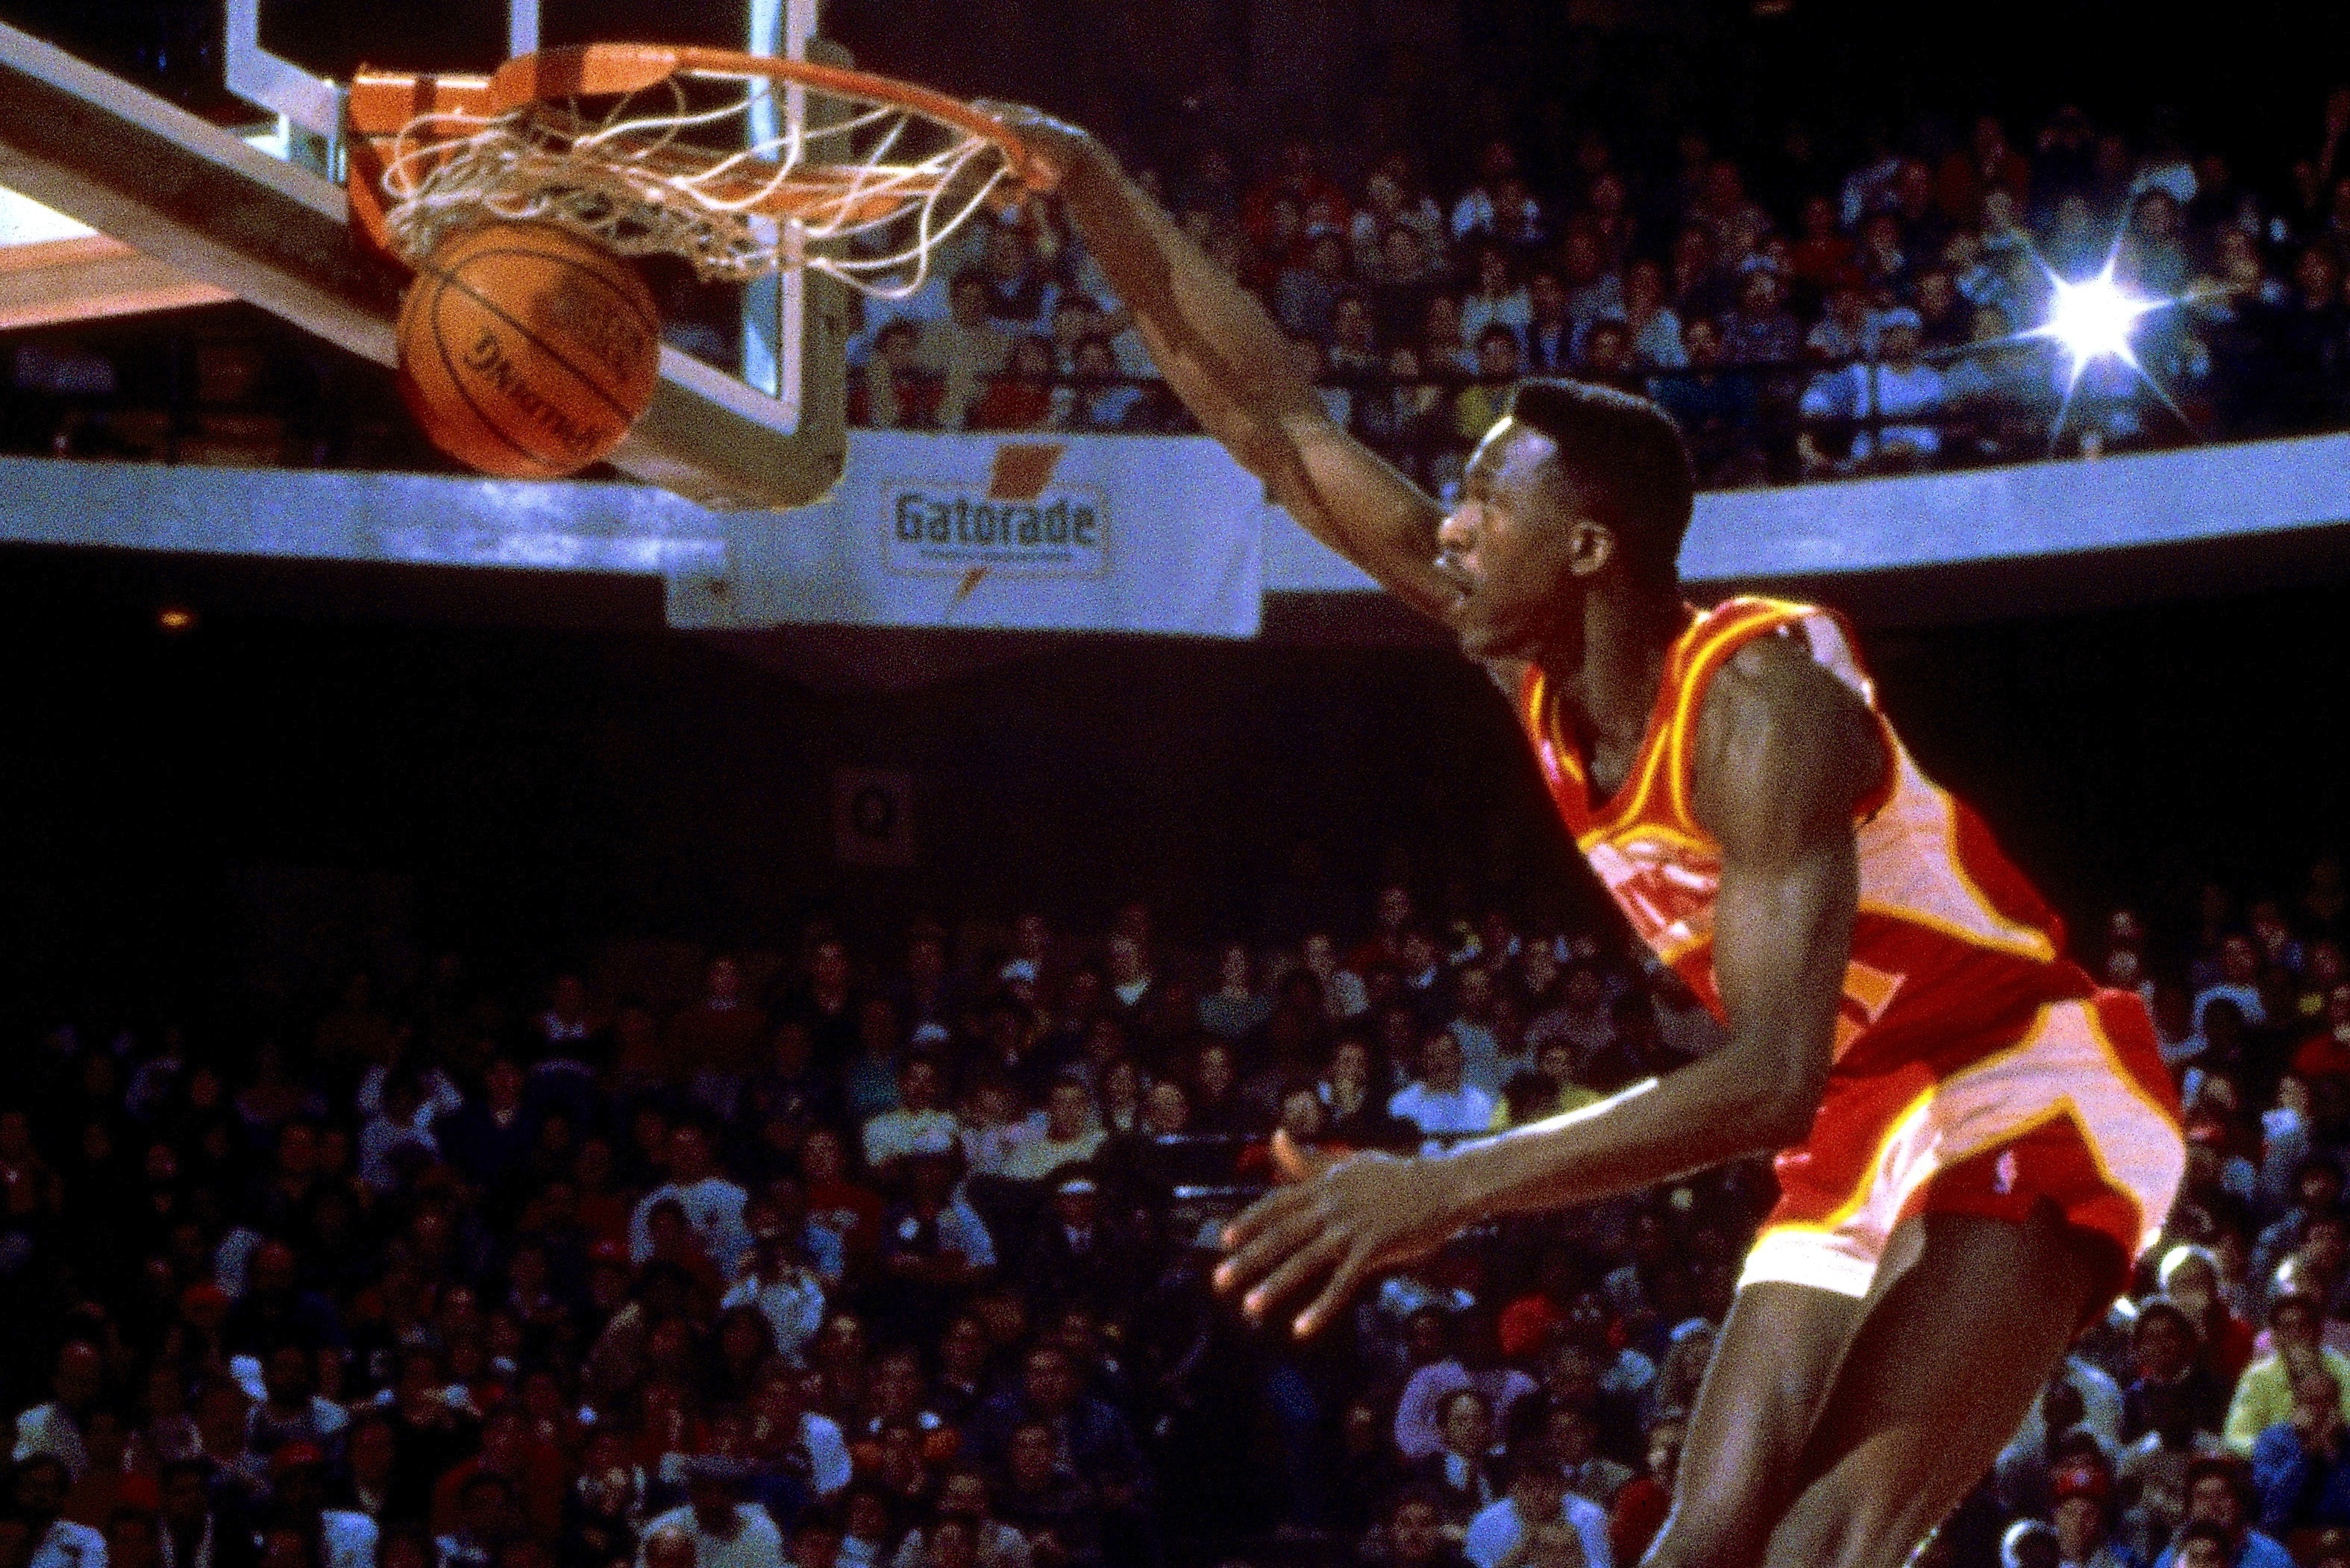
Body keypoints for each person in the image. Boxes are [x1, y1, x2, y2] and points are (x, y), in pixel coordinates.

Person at [986, 106, 2189, 1568]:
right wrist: (1098, 180)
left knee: (1823, 1546)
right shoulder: (1524, 662)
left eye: (1488, 500)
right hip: (1866, 1108)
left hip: (2027, 1068)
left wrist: (1444, 1184)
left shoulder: (1762, 711)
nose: (1451, 527)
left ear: (1591, 548)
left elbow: (1762, 1077)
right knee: (1704, 1543)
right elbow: (1279, 429)